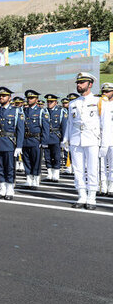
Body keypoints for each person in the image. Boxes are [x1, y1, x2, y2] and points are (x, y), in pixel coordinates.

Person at [62, 73, 102, 209]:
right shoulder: (73, 103)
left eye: (82, 82)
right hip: (75, 139)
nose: (79, 85)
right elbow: (70, 123)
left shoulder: (99, 101)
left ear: (90, 84)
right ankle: (81, 195)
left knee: (92, 169)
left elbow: (103, 123)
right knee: (78, 169)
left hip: (92, 138)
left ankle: (91, 197)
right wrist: (66, 139)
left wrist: (103, 140)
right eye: (78, 83)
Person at [0, 87, 25, 200]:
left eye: (4, 96)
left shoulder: (16, 111)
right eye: (0, 96)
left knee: (9, 167)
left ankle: (10, 189)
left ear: (10, 97)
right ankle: (2, 188)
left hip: (9, 143)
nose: (1, 97)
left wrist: (19, 146)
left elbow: (20, 130)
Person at [21, 90, 50, 190]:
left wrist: (44, 142)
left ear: (36, 99)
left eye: (31, 98)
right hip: (25, 140)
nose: (29, 100)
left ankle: (36, 180)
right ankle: (29, 179)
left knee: (36, 161)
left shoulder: (41, 111)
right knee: (26, 161)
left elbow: (45, 128)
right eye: (28, 98)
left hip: (36, 139)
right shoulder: (23, 111)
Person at [43, 94, 67, 182]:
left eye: (51, 102)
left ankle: (56, 174)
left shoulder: (61, 111)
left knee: (56, 156)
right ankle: (49, 174)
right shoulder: (44, 111)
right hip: (46, 137)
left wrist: (64, 140)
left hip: (56, 137)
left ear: (56, 102)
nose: (49, 103)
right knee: (47, 156)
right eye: (48, 102)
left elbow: (64, 126)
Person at [99, 83, 113, 196]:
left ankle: (111, 186)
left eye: (107, 91)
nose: (105, 93)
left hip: (112, 138)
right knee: (101, 165)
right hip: (101, 138)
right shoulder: (99, 104)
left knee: (112, 165)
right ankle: (103, 187)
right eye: (103, 91)